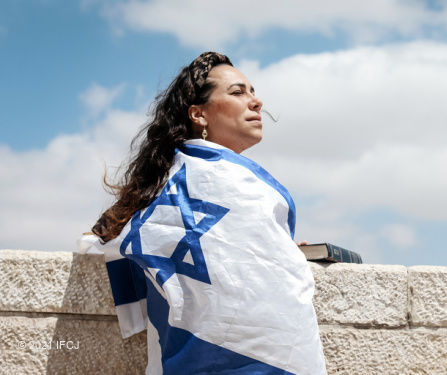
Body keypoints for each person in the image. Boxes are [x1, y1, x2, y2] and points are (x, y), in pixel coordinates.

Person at [84, 52, 327, 375]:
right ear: (198, 114)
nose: (255, 101)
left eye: (253, 91)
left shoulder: (246, 185)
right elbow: (109, 240)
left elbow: (234, 251)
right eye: (238, 92)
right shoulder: (172, 185)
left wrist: (279, 252)